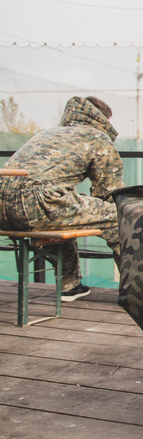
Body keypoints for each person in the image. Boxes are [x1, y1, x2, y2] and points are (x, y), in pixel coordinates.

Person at [0, 96, 124, 301]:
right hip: (38, 204)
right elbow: (109, 192)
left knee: (67, 212)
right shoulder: (96, 137)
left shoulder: (49, 133)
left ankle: (70, 284)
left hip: (3, 206)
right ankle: (135, 291)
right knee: (121, 217)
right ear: (103, 119)